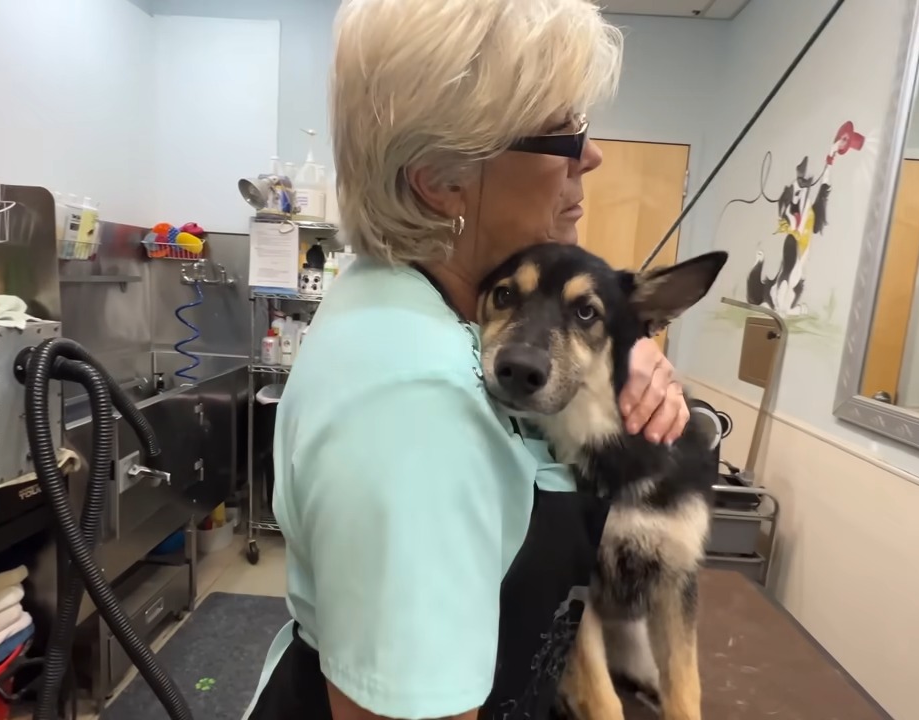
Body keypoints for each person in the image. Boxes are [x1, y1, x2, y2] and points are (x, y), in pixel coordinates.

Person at [245, 2, 690, 718]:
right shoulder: (421, 409)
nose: (592, 154)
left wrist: (614, 360)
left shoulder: (406, 293)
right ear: (444, 180)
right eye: (565, 130)